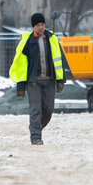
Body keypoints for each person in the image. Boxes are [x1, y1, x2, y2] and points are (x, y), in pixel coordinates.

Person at [9, 12, 65, 145]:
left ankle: (36, 127)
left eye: (42, 24)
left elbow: (60, 60)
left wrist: (61, 80)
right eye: (38, 25)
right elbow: (21, 66)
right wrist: (21, 86)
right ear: (33, 26)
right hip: (33, 81)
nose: (40, 27)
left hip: (50, 79)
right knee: (35, 108)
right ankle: (35, 137)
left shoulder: (52, 40)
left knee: (48, 109)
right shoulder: (27, 42)